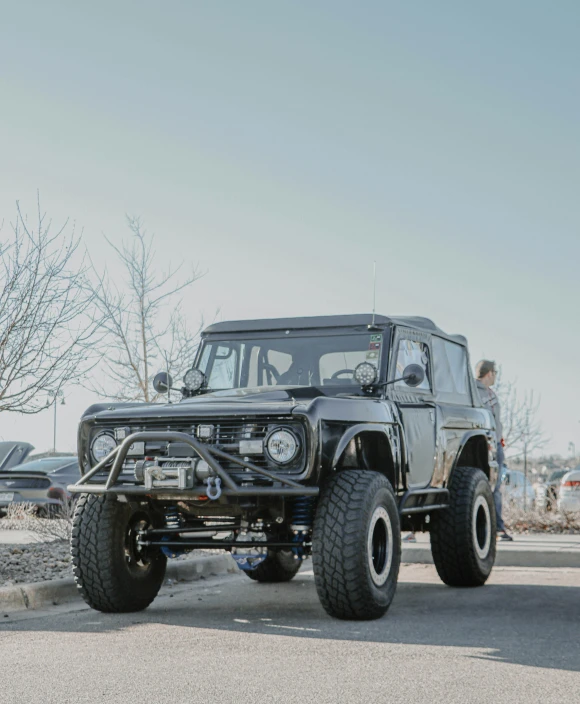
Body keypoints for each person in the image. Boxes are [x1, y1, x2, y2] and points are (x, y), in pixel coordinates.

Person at [475, 359, 513, 541]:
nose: (496, 376)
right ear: (489, 373)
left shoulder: (492, 394)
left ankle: (497, 528)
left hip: (497, 445)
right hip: (484, 447)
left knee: (496, 487)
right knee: (486, 487)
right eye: (495, 373)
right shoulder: (473, 392)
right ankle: (493, 529)